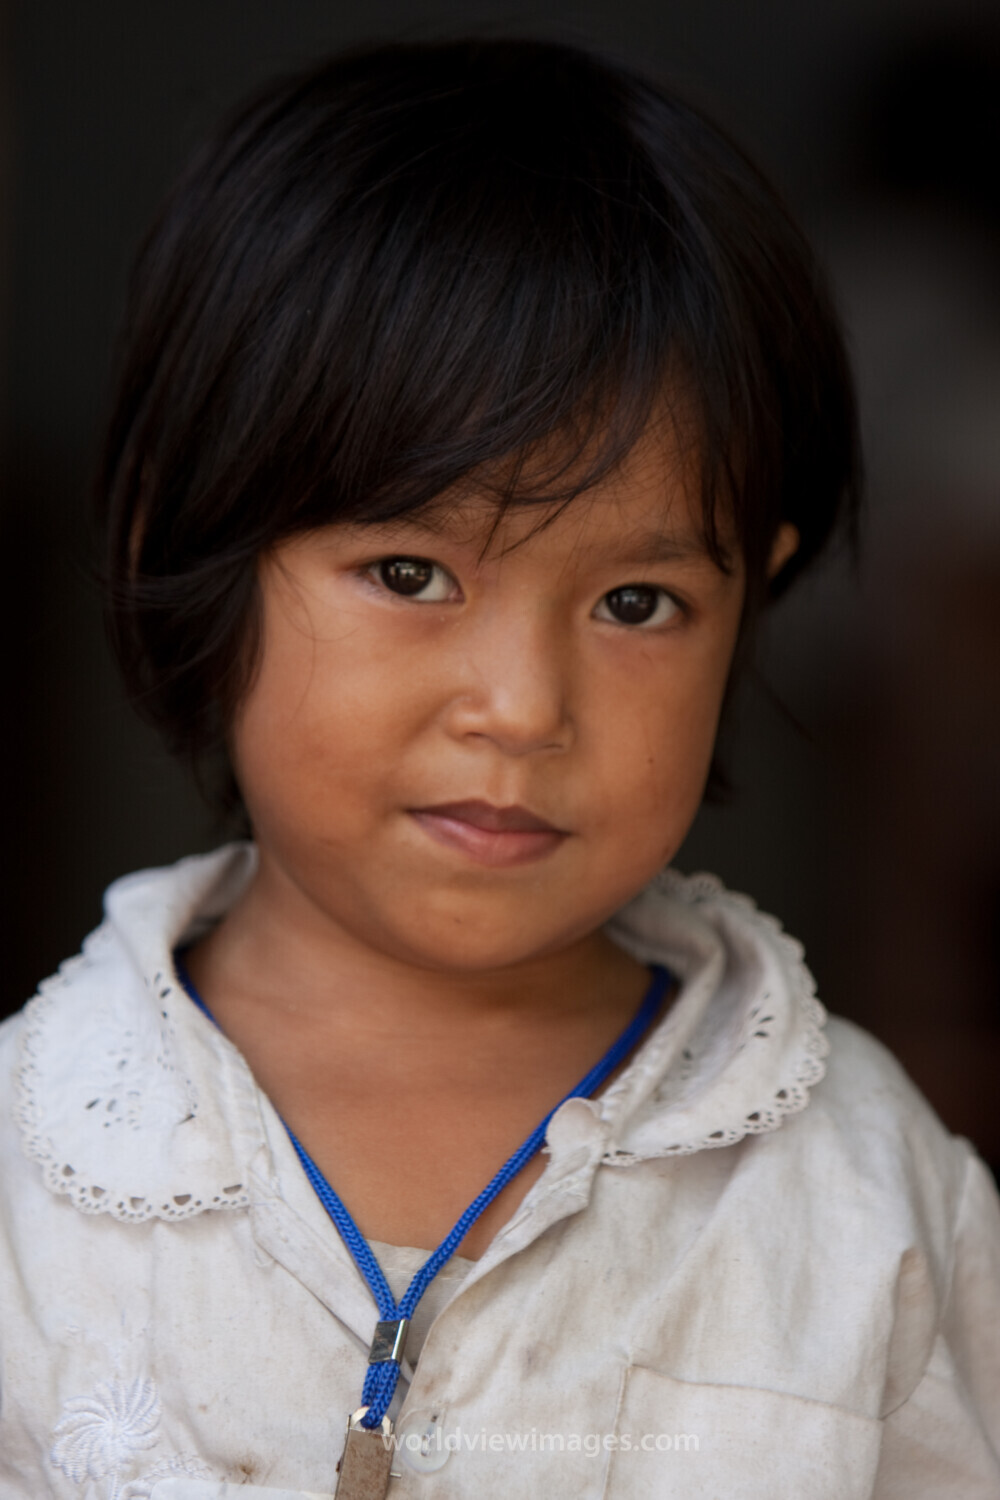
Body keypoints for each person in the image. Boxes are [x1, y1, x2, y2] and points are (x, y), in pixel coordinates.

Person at [1, 37, 997, 1500]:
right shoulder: (33, 1178)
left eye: (638, 604)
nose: (524, 706)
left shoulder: (864, 1190)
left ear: (751, 605)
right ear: (183, 545)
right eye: (409, 570)